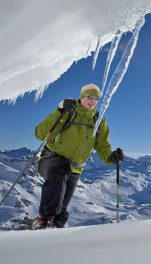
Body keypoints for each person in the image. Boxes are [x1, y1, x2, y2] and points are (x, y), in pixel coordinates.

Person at [33, 83, 125, 228]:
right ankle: (44, 220)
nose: (93, 100)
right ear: (81, 97)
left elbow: (102, 145)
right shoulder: (68, 112)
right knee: (59, 171)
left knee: (61, 208)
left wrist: (110, 157)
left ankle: (55, 230)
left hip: (74, 169)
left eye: (96, 98)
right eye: (89, 96)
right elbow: (41, 134)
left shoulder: (98, 120)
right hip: (51, 161)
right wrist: (59, 110)